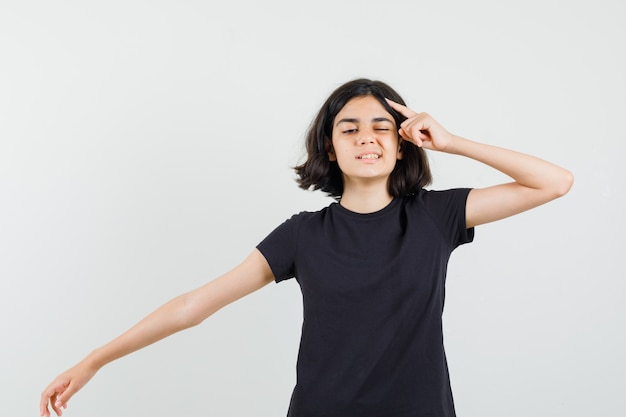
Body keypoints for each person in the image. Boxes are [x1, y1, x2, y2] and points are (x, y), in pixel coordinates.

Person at [40, 79, 573, 417]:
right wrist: (94, 360)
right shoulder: (302, 234)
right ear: (330, 146)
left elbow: (553, 182)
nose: (367, 138)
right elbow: (193, 306)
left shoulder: (435, 216)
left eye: (382, 127)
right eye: (350, 128)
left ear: (404, 140)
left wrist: (453, 142)